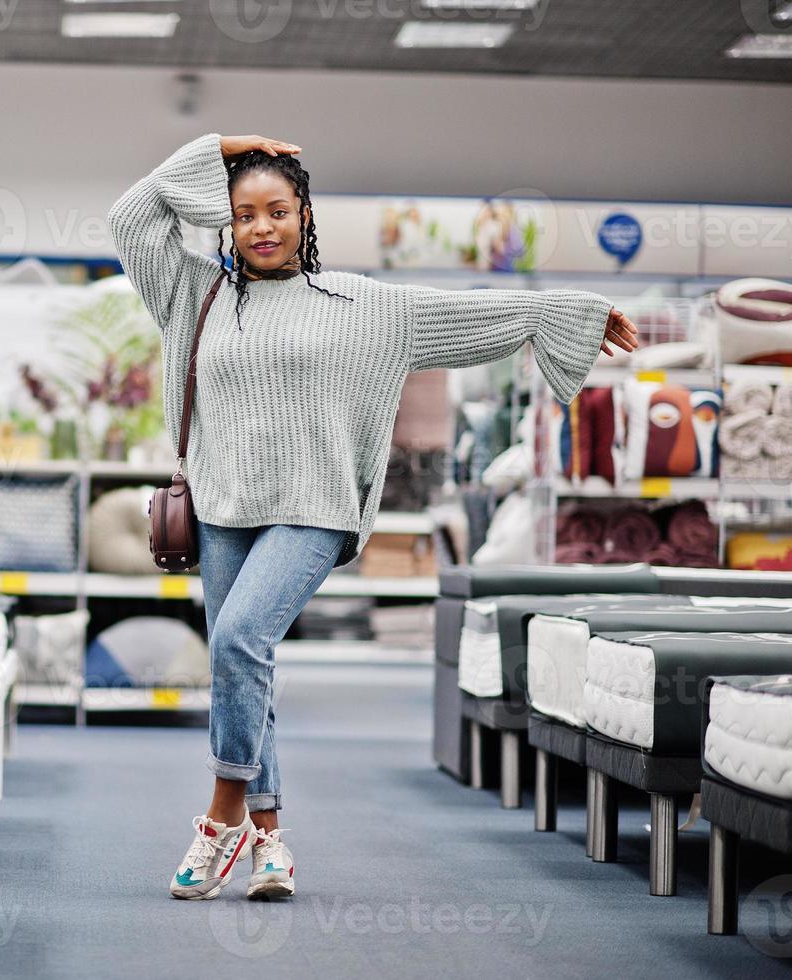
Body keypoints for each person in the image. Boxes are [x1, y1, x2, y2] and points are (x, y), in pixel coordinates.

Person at [107, 133, 638, 902]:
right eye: (244, 213)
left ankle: (220, 815)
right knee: (243, 670)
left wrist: (577, 312)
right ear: (224, 222)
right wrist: (223, 145)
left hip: (315, 510)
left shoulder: (364, 305)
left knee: (236, 640)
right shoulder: (194, 294)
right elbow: (130, 216)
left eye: (277, 211)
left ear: (303, 214)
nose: (261, 227)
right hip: (222, 507)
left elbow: (477, 316)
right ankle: (271, 844)